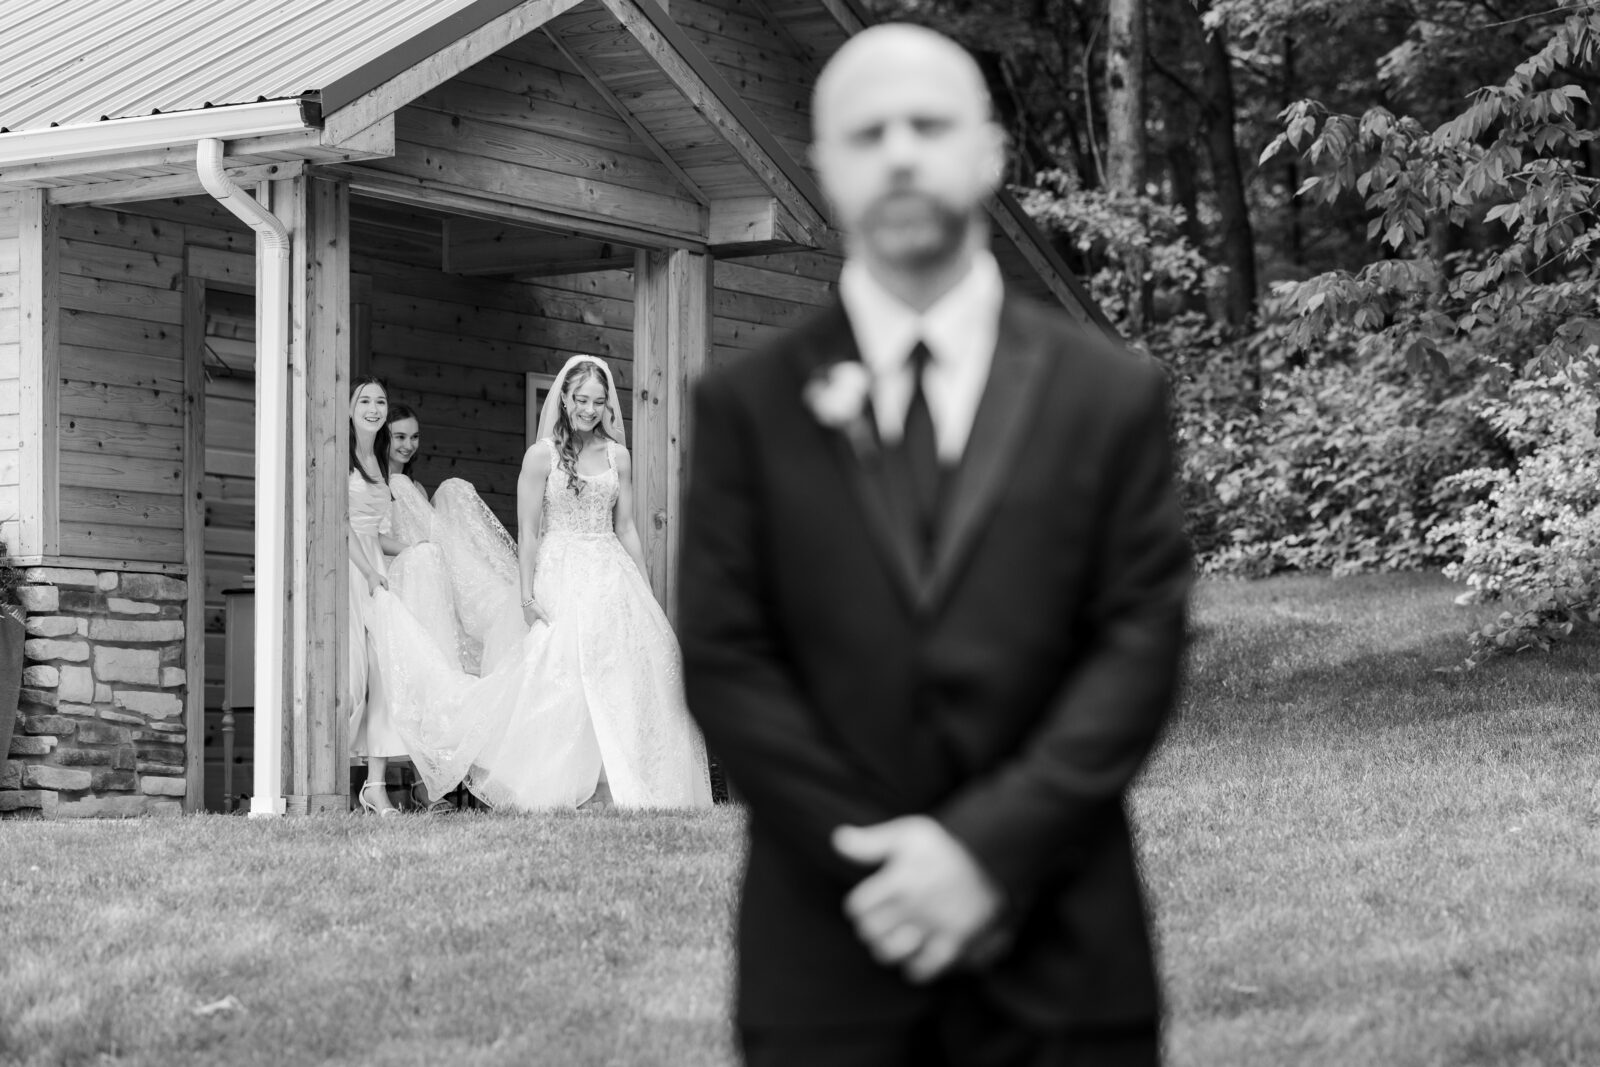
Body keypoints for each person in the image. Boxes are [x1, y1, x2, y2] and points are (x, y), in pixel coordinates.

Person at [677, 23, 1192, 1067]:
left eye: (929, 124)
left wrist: (984, 851)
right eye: (867, 132)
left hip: (1064, 954)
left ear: (990, 153)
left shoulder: (1110, 395)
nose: (900, 151)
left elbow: (1136, 646)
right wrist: (873, 859)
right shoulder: (749, 406)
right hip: (828, 958)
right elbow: (728, 657)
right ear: (824, 169)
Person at [368, 355, 713, 810]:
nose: (589, 409)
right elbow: (529, 531)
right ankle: (558, 786)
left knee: (619, 672)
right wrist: (527, 595)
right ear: (565, 399)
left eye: (598, 401)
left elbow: (626, 525)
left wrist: (643, 588)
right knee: (561, 674)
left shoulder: (618, 456)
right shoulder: (541, 456)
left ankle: (615, 786)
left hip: (609, 571)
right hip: (559, 570)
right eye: (582, 400)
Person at [346, 376, 410, 816]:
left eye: (380, 401)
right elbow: (339, 522)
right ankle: (331, 779)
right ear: (350, 407)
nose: (373, 407)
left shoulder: (381, 461)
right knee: (352, 681)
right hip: (349, 571)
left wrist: (419, 549)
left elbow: (380, 535)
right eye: (364, 400)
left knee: (385, 675)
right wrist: (367, 571)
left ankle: (375, 785)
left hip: (377, 571)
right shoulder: (341, 454)